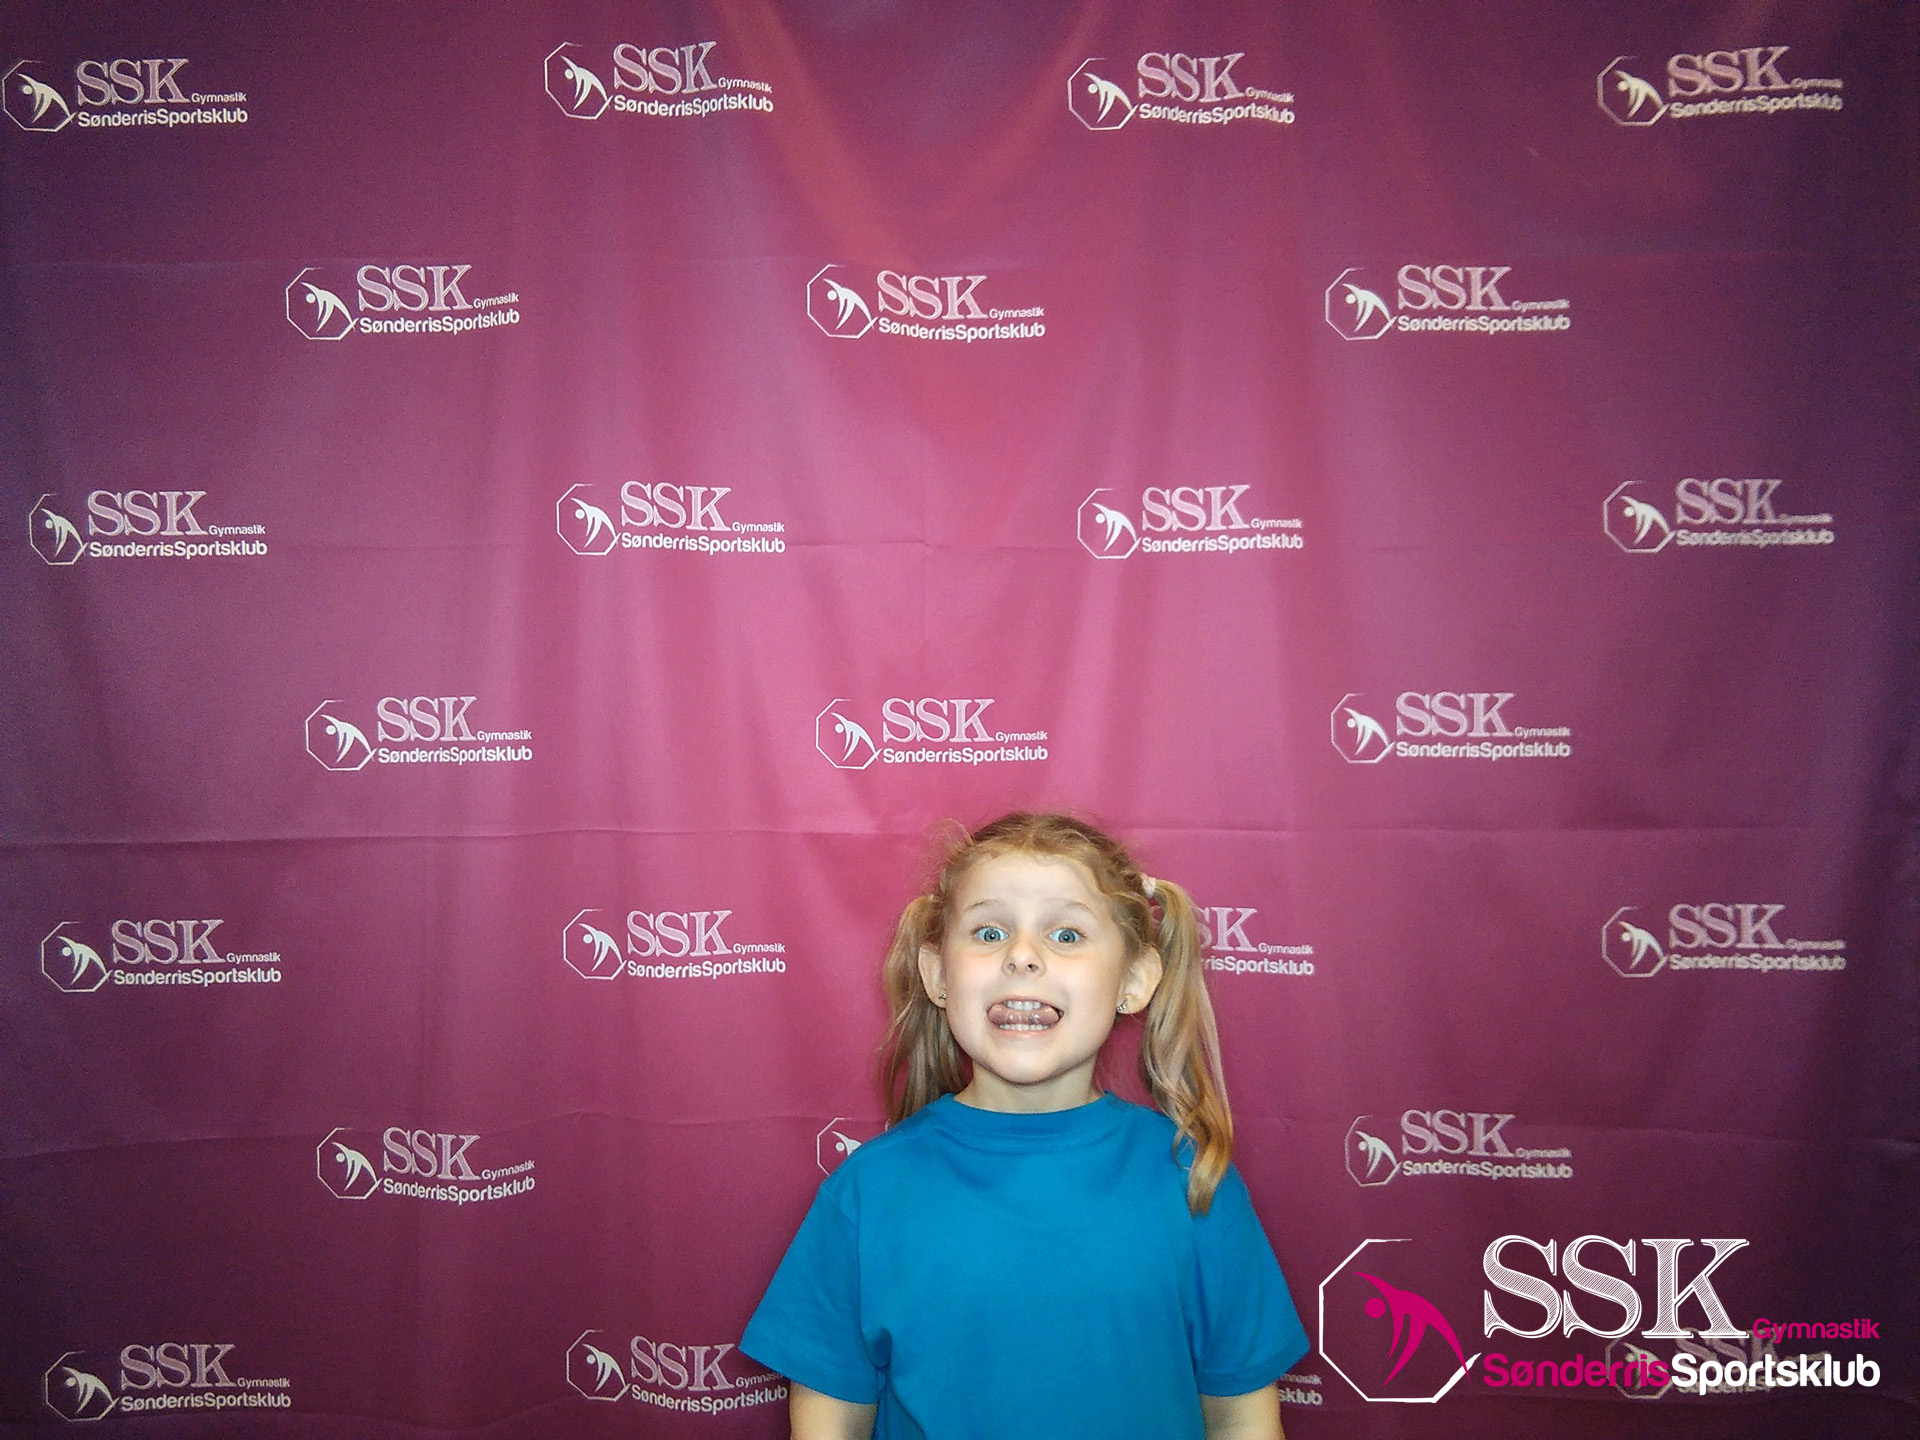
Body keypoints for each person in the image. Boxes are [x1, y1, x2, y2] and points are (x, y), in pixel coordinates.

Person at [742, 812, 1308, 1439]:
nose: (1021, 957)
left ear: (1135, 979)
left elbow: (1241, 1421)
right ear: (937, 974)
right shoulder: (866, 1193)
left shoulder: (1194, 1180)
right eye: (989, 931)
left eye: (1066, 934)